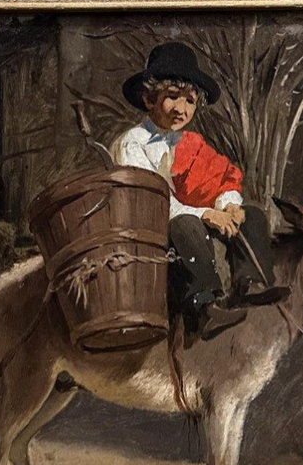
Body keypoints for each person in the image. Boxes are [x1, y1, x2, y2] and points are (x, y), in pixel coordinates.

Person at [112, 42, 289, 341]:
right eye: (172, 97)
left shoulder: (188, 143)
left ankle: (250, 286)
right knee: (186, 225)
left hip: (190, 219)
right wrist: (206, 214)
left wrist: (228, 205)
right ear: (149, 98)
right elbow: (155, 203)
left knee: (252, 215)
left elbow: (215, 179)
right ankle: (204, 306)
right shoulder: (132, 144)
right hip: (152, 227)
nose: (181, 109)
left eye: (190, 101)